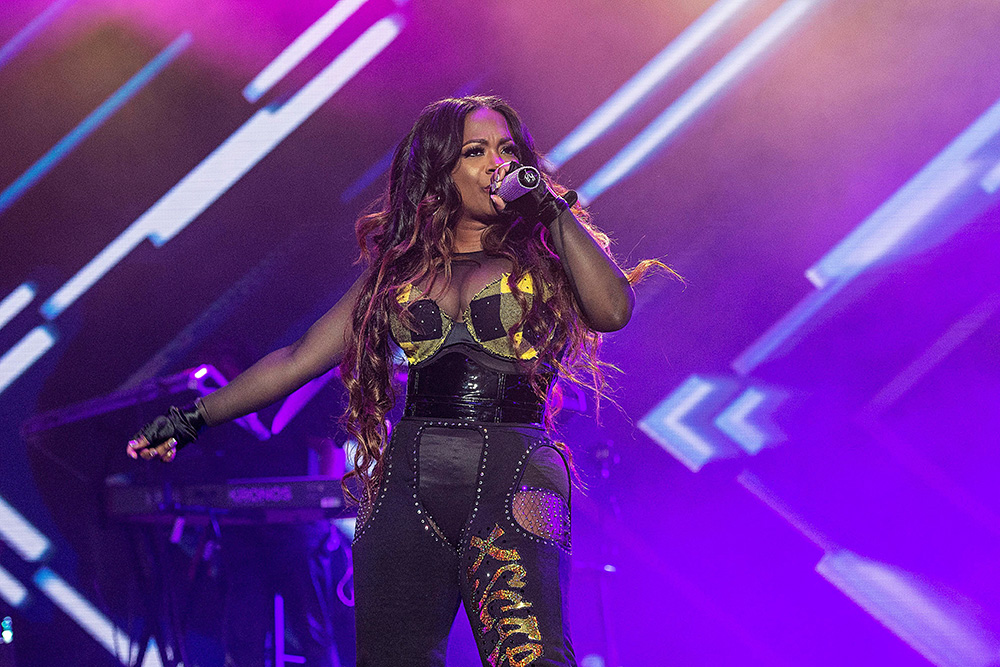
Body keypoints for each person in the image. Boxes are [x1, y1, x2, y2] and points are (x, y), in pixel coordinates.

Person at [128, 95, 659, 667]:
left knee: (532, 658)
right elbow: (298, 359)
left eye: (507, 150)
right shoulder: (398, 274)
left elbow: (612, 311)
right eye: (475, 152)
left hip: (515, 474)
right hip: (409, 483)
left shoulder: (543, 256)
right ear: (439, 172)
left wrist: (552, 208)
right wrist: (192, 419)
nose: (496, 164)